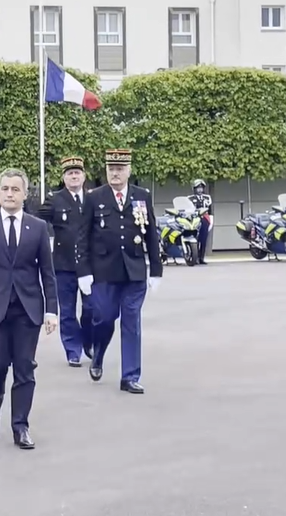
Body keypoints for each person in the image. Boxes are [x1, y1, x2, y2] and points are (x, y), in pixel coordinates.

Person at [0, 168, 58, 450]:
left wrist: (51, 311)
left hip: (28, 310)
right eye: (5, 188)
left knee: (25, 369)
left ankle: (21, 426)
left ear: (25, 194)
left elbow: (48, 273)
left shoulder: (38, 227)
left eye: (15, 189)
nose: (9, 194)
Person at [76, 149, 163, 394]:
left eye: (120, 169)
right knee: (104, 318)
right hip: (104, 272)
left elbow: (151, 235)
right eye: (111, 169)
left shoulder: (141, 196)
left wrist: (155, 270)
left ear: (128, 170)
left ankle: (130, 376)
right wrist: (83, 271)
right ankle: (99, 355)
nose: (115, 173)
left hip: (134, 271)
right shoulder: (94, 197)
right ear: (106, 170)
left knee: (131, 321)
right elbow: (82, 237)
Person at [37, 157, 94, 367]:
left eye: (77, 173)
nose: (74, 176)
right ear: (64, 177)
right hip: (63, 265)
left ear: (83, 176)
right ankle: (72, 350)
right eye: (70, 173)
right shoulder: (55, 199)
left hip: (89, 266)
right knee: (67, 311)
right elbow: (37, 220)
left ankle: (89, 342)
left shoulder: (92, 199)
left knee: (92, 309)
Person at [188, 179, 214, 265]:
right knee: (194, 238)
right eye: (198, 188)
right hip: (194, 219)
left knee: (203, 239)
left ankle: (201, 257)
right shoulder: (190, 198)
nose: (200, 190)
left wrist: (211, 219)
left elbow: (210, 210)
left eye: (201, 188)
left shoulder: (207, 198)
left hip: (204, 219)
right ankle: (194, 256)